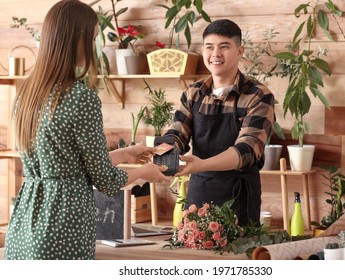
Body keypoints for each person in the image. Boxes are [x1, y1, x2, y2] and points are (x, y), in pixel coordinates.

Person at [4, 0, 171, 260]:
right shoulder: (80, 96)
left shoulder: (27, 93)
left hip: (26, 225)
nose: (94, 46)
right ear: (78, 38)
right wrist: (144, 173)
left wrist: (128, 153)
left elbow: (66, 165)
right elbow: (104, 180)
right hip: (63, 228)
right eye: (93, 38)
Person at [165, 19, 275, 226]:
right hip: (198, 192)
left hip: (239, 196)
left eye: (224, 46)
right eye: (209, 47)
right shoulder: (193, 93)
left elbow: (248, 149)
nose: (215, 54)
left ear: (240, 51)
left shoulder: (258, 95)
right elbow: (177, 133)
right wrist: (163, 155)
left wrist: (202, 165)